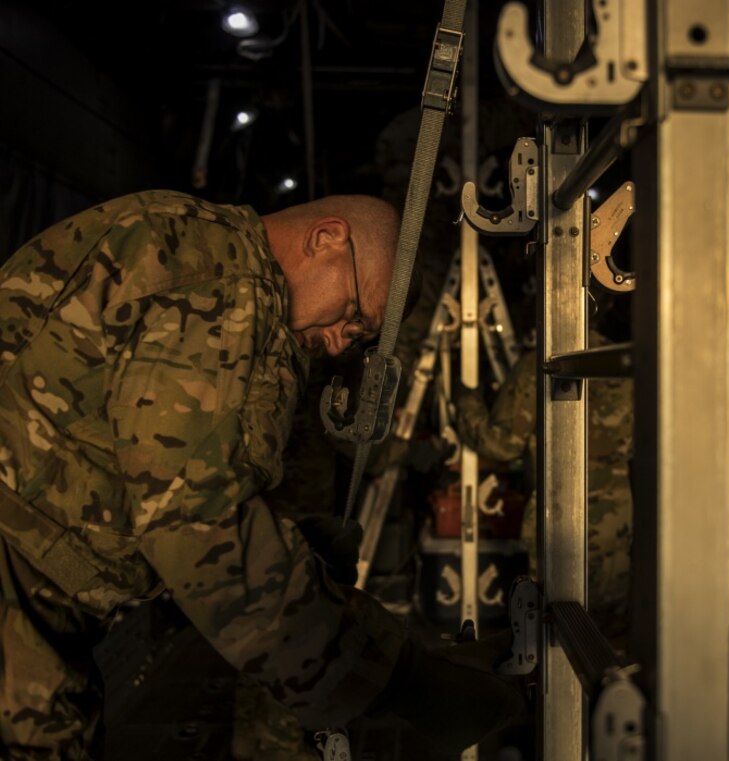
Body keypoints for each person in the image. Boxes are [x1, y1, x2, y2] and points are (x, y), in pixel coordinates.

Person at [0, 190, 523, 759]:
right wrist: (402, 679)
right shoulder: (219, 282)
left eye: (355, 338)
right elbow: (201, 531)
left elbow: (137, 472)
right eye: (352, 317)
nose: (334, 343)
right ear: (326, 238)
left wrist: (291, 546)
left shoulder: (194, 248)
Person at [455, 322, 634, 637]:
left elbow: (500, 443)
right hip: (618, 521)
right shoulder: (623, 363)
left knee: (554, 629)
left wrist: (466, 399)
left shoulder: (542, 362)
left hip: (558, 516)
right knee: (607, 638)